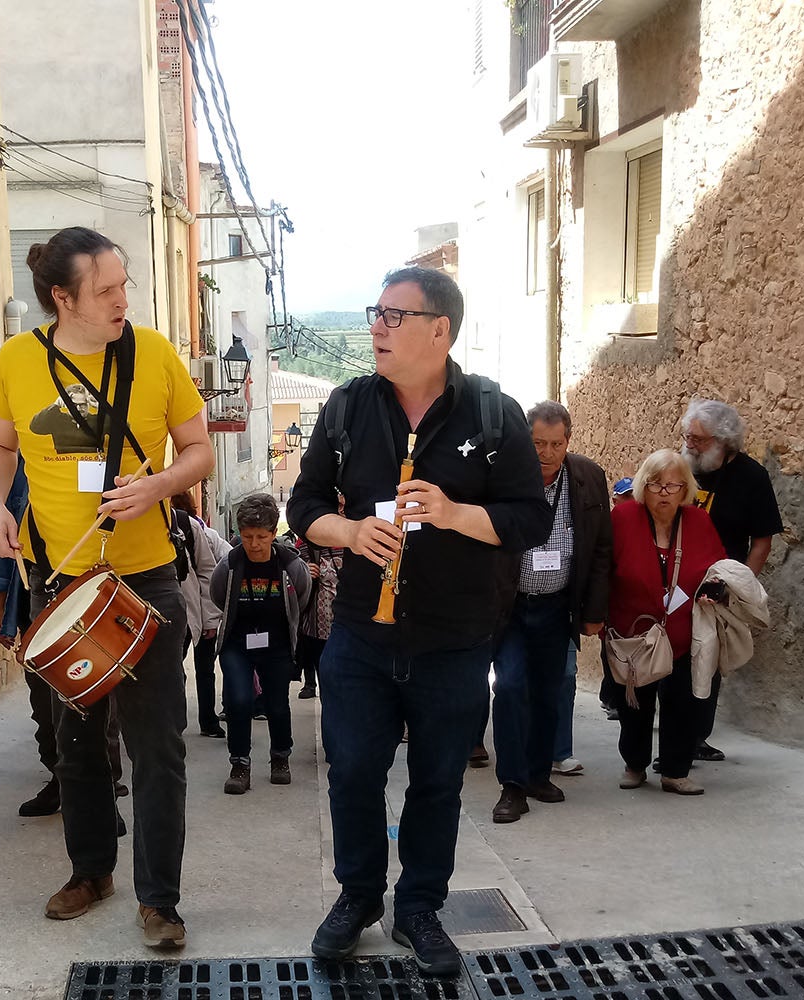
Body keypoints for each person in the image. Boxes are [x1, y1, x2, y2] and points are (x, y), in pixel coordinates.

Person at [286, 266, 552, 976]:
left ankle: (420, 909)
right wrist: (345, 535)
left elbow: (532, 518)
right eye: (376, 313)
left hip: (455, 640)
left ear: (440, 330)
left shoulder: (493, 415)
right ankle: (357, 898)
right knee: (353, 774)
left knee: (437, 781)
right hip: (360, 639)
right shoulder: (347, 408)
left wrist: (454, 513)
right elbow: (304, 504)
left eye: (394, 316)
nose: (377, 326)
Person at [0, 226, 213, 949]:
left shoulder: (154, 355)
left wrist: (161, 488)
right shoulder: (18, 360)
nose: (122, 300)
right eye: (106, 290)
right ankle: (91, 870)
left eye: (123, 285)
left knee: (157, 746)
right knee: (74, 745)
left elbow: (200, 450)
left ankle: (161, 901)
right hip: (62, 580)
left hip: (145, 583)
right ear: (62, 297)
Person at [0, 457, 128, 827]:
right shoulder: (21, 468)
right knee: (44, 704)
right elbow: (7, 538)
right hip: (37, 586)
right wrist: (1, 599)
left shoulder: (85, 463)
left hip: (81, 592)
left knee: (92, 698)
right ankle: (61, 779)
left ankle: (105, 795)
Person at [489, 401, 611, 823]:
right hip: (510, 607)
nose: (546, 452)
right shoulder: (503, 478)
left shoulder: (589, 478)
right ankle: (511, 786)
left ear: (568, 441)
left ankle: (538, 775)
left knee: (549, 691)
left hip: (558, 606)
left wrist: (595, 610)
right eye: (538, 442)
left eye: (555, 444)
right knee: (509, 687)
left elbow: (600, 550)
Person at [607, 449, 725, 795]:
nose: (663, 493)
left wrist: (713, 592)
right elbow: (603, 566)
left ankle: (675, 771)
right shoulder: (624, 517)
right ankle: (634, 764)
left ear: (685, 488)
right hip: (632, 629)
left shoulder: (699, 521)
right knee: (634, 703)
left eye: (672, 486)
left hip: (683, 632)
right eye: (656, 484)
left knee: (683, 703)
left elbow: (718, 568)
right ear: (643, 485)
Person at [680, 399, 784, 761]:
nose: (689, 445)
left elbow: (763, 540)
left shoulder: (752, 477)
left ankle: (696, 737)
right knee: (676, 656)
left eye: (699, 440)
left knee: (709, 656)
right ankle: (674, 737)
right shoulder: (679, 469)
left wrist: (740, 583)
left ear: (724, 441)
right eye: (687, 437)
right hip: (676, 577)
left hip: (719, 581)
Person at [209, 493, 311, 793]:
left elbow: (301, 598)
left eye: (261, 537)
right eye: (247, 536)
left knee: (277, 705)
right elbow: (218, 596)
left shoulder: (291, 564)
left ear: (273, 534)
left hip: (277, 643)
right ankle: (239, 763)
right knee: (238, 701)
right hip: (237, 643)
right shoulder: (229, 564)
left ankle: (280, 756)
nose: (253, 544)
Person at [170, 491, 225, 737]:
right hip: (156, 616)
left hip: (191, 613)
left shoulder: (188, 527)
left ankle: (204, 721)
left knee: (201, 669)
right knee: (171, 672)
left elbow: (208, 572)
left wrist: (210, 619)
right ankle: (173, 726)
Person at [295, 513, 344, 700]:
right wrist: (304, 569)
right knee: (322, 668)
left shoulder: (361, 537)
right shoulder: (311, 541)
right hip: (317, 623)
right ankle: (311, 683)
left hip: (351, 624)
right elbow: (292, 568)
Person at [599, 477, 636, 720]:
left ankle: (616, 698)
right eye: (627, 497)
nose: (633, 501)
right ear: (615, 499)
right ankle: (611, 698)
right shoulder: (608, 526)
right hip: (611, 599)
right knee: (610, 649)